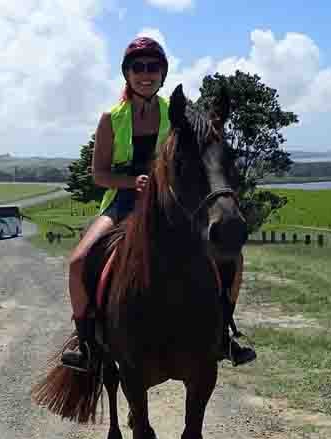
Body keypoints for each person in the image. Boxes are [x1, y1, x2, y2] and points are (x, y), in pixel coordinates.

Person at [60, 36, 256, 372]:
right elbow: (99, 174)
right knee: (79, 261)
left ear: (163, 74)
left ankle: (224, 332)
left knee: (232, 259)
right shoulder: (111, 118)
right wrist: (130, 182)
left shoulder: (180, 115)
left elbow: (201, 156)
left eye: (153, 67)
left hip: (170, 203)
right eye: (138, 68)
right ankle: (87, 343)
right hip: (123, 200)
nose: (145, 74)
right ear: (127, 74)